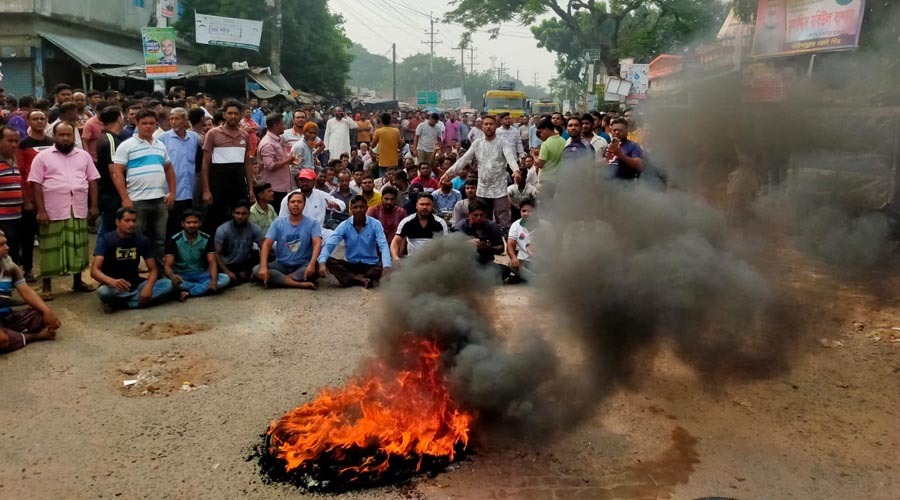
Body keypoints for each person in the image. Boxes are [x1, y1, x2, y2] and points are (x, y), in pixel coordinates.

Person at [28, 122, 99, 300]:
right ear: (55, 136)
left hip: (78, 208)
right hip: (53, 210)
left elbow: (93, 181)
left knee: (78, 246)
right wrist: (41, 210)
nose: (65, 138)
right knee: (51, 248)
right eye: (62, 135)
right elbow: (36, 184)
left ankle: (77, 281)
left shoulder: (83, 156)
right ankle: (46, 286)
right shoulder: (42, 157)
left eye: (69, 135)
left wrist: (94, 205)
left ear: (74, 137)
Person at [112, 109, 176, 261]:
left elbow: (169, 169)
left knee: (160, 240)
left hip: (160, 201)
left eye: (151, 123)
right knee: (135, 239)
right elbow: (117, 173)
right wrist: (125, 198)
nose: (148, 126)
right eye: (144, 123)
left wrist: (172, 192)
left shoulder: (160, 145)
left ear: (156, 125)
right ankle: (133, 272)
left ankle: (159, 274)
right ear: (137, 124)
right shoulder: (126, 146)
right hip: (137, 201)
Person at [442, 115, 519, 234]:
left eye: (491, 124)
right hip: (483, 188)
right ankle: (483, 245)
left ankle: (505, 247)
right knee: (481, 219)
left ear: (496, 126)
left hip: (500, 188)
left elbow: (511, 158)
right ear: (482, 126)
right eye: (486, 124)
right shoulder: (477, 143)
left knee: (504, 221)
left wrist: (516, 170)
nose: (488, 127)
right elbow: (464, 159)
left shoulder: (503, 142)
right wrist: (448, 173)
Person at [92, 207, 174, 310]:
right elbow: (94, 271)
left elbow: (153, 269)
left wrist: (148, 287)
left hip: (136, 284)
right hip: (114, 287)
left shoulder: (142, 240)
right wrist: (112, 281)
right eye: (127, 221)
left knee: (167, 284)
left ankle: (123, 304)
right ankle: (138, 301)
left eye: (133, 221)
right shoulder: (106, 240)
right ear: (117, 222)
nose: (131, 224)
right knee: (103, 292)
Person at [0, 230, 61, 355]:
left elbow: (25, 290)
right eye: (1, 245)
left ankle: (12, 334)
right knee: (2, 340)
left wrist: (47, 311)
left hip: (5, 317)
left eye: (6, 243)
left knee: (39, 315)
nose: (7, 247)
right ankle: (33, 336)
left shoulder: (9, 265)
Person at [202, 100, 254, 233]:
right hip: (218, 185)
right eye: (230, 113)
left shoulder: (244, 135)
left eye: (236, 113)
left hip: (238, 185)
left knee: (240, 218)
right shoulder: (213, 134)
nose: (233, 116)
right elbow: (205, 164)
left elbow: (247, 164)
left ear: (240, 115)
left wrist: (251, 188)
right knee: (216, 219)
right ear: (224, 115)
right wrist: (206, 190)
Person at [318, 195, 392, 288]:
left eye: (361, 207)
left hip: (371, 264)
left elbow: (383, 246)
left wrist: (386, 266)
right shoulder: (344, 225)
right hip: (351, 264)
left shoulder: (375, 224)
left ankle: (352, 279)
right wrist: (322, 262)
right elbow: (330, 244)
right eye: (355, 207)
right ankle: (361, 279)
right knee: (328, 261)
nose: (358, 210)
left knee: (383, 266)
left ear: (366, 208)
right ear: (351, 210)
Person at [254, 191, 322, 289]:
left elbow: (317, 243)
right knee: (257, 269)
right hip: (282, 264)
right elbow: (266, 245)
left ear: (304, 204)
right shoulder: (278, 223)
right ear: (288, 204)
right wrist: (264, 267)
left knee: (315, 267)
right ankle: (298, 283)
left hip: (302, 264)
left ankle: (280, 280)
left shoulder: (313, 223)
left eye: (299, 202)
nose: (296, 205)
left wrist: (311, 264)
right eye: (293, 202)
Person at [16, 110, 54, 282]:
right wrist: (26, 199)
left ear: (46, 121)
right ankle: (28, 269)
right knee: (28, 236)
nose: (39, 121)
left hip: (50, 196)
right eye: (35, 119)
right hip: (30, 196)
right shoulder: (23, 144)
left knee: (48, 235)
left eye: (42, 119)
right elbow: (21, 173)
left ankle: (50, 268)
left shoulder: (52, 142)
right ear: (29, 122)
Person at [163, 210, 229, 301]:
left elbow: (212, 262)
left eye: (195, 222)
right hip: (182, 276)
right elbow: (167, 266)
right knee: (168, 283)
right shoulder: (174, 240)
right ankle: (202, 289)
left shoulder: (206, 238)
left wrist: (213, 281)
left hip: (200, 274)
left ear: (200, 223)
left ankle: (188, 293)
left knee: (224, 278)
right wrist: (173, 276)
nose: (192, 225)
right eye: (188, 222)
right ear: (183, 224)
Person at [158, 107, 202, 238]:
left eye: (177, 118)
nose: (173, 122)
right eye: (171, 119)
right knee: (169, 226)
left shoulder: (194, 138)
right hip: (170, 192)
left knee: (186, 226)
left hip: (188, 191)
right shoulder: (163, 139)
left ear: (185, 120)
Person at [92, 107, 124, 237]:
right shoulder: (110, 139)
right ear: (119, 118)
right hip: (111, 193)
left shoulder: (108, 137)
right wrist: (123, 194)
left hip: (111, 192)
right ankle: (100, 254)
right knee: (108, 228)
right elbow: (113, 170)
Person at [215, 200, 264, 285]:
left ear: (249, 214)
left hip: (244, 263)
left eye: (244, 213)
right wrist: (227, 271)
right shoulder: (223, 229)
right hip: (227, 264)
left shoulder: (254, 228)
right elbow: (216, 254)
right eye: (237, 213)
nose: (240, 217)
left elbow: (264, 247)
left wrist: (261, 267)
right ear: (232, 214)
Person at [279, 169, 346, 229]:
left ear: (314, 181)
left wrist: (335, 205)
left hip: (318, 232)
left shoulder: (321, 195)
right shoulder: (289, 197)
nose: (304, 183)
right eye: (302, 180)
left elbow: (342, 204)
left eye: (307, 180)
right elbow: (282, 220)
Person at [390, 194, 448, 261]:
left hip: (434, 262)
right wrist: (396, 258)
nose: (425, 207)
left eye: (428, 204)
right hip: (412, 262)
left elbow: (445, 245)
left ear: (432, 206)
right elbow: (396, 242)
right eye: (422, 204)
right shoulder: (407, 222)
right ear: (416, 205)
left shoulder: (440, 223)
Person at [257, 113, 295, 208]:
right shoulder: (268, 144)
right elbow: (270, 166)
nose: (284, 126)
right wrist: (288, 161)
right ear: (275, 125)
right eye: (282, 124)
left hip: (281, 187)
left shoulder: (278, 140)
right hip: (273, 188)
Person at [455, 199, 505, 268]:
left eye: (481, 215)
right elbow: (453, 247)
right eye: (475, 215)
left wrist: (489, 248)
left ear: (485, 215)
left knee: (504, 270)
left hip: (486, 263)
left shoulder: (492, 226)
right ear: (469, 215)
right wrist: (467, 244)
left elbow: (501, 247)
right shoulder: (461, 226)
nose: (479, 218)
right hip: (465, 264)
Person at [0, 125, 23, 266]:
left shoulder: (15, 161)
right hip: (2, 218)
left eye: (16, 141)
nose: (14, 144)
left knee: (13, 252)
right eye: (10, 141)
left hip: (17, 216)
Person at [506, 196, 540, 283]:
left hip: (540, 262)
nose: (526, 213)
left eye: (530, 211)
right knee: (511, 265)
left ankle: (525, 278)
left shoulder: (545, 226)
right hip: (523, 262)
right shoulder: (516, 225)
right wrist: (513, 258)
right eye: (523, 211)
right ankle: (537, 280)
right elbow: (510, 245)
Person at [532, 117, 566, 197]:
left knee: (546, 205)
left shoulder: (546, 144)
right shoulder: (563, 141)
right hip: (559, 180)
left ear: (546, 129)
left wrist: (534, 156)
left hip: (546, 181)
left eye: (541, 132)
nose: (541, 134)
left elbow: (540, 164)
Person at [370, 112, 401, 178]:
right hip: (394, 161)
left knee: (383, 179)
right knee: (394, 178)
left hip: (382, 161)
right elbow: (400, 145)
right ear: (390, 120)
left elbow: (373, 145)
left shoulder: (378, 131)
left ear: (381, 120)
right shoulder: (396, 131)